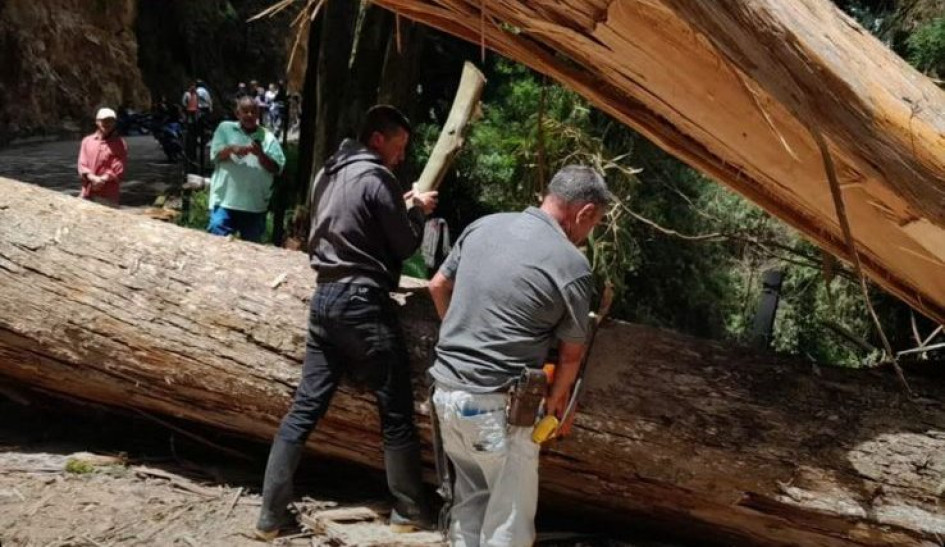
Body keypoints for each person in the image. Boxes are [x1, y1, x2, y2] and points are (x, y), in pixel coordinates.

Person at [255, 105, 439, 540]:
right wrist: (418, 212)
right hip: (362, 303)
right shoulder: (376, 178)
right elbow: (405, 242)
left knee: (303, 410)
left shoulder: (329, 173)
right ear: (378, 139)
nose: (400, 156)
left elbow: (355, 222)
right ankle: (410, 509)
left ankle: (269, 516)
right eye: (399, 147)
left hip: (325, 299)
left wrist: (401, 202)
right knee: (394, 409)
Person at [427, 165, 612, 547]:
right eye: (593, 224)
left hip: (445, 393)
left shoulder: (484, 225)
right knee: (508, 527)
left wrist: (464, 336)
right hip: (499, 408)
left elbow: (438, 285)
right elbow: (571, 357)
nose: (587, 234)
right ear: (585, 212)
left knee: (470, 507)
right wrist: (554, 406)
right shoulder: (572, 265)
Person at [205, 96, 285, 242]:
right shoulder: (225, 128)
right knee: (216, 242)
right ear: (237, 113)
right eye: (245, 111)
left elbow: (276, 168)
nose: (249, 115)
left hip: (254, 206)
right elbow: (215, 156)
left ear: (258, 114)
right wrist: (231, 149)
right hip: (224, 202)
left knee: (251, 250)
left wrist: (260, 154)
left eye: (253, 112)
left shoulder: (267, 137)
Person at [77, 107, 128, 207]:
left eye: (110, 121)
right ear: (97, 122)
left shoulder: (120, 144)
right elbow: (82, 164)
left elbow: (118, 168)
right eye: (104, 120)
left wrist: (102, 179)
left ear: (114, 123)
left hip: (108, 194)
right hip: (88, 192)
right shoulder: (87, 141)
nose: (107, 124)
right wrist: (92, 178)